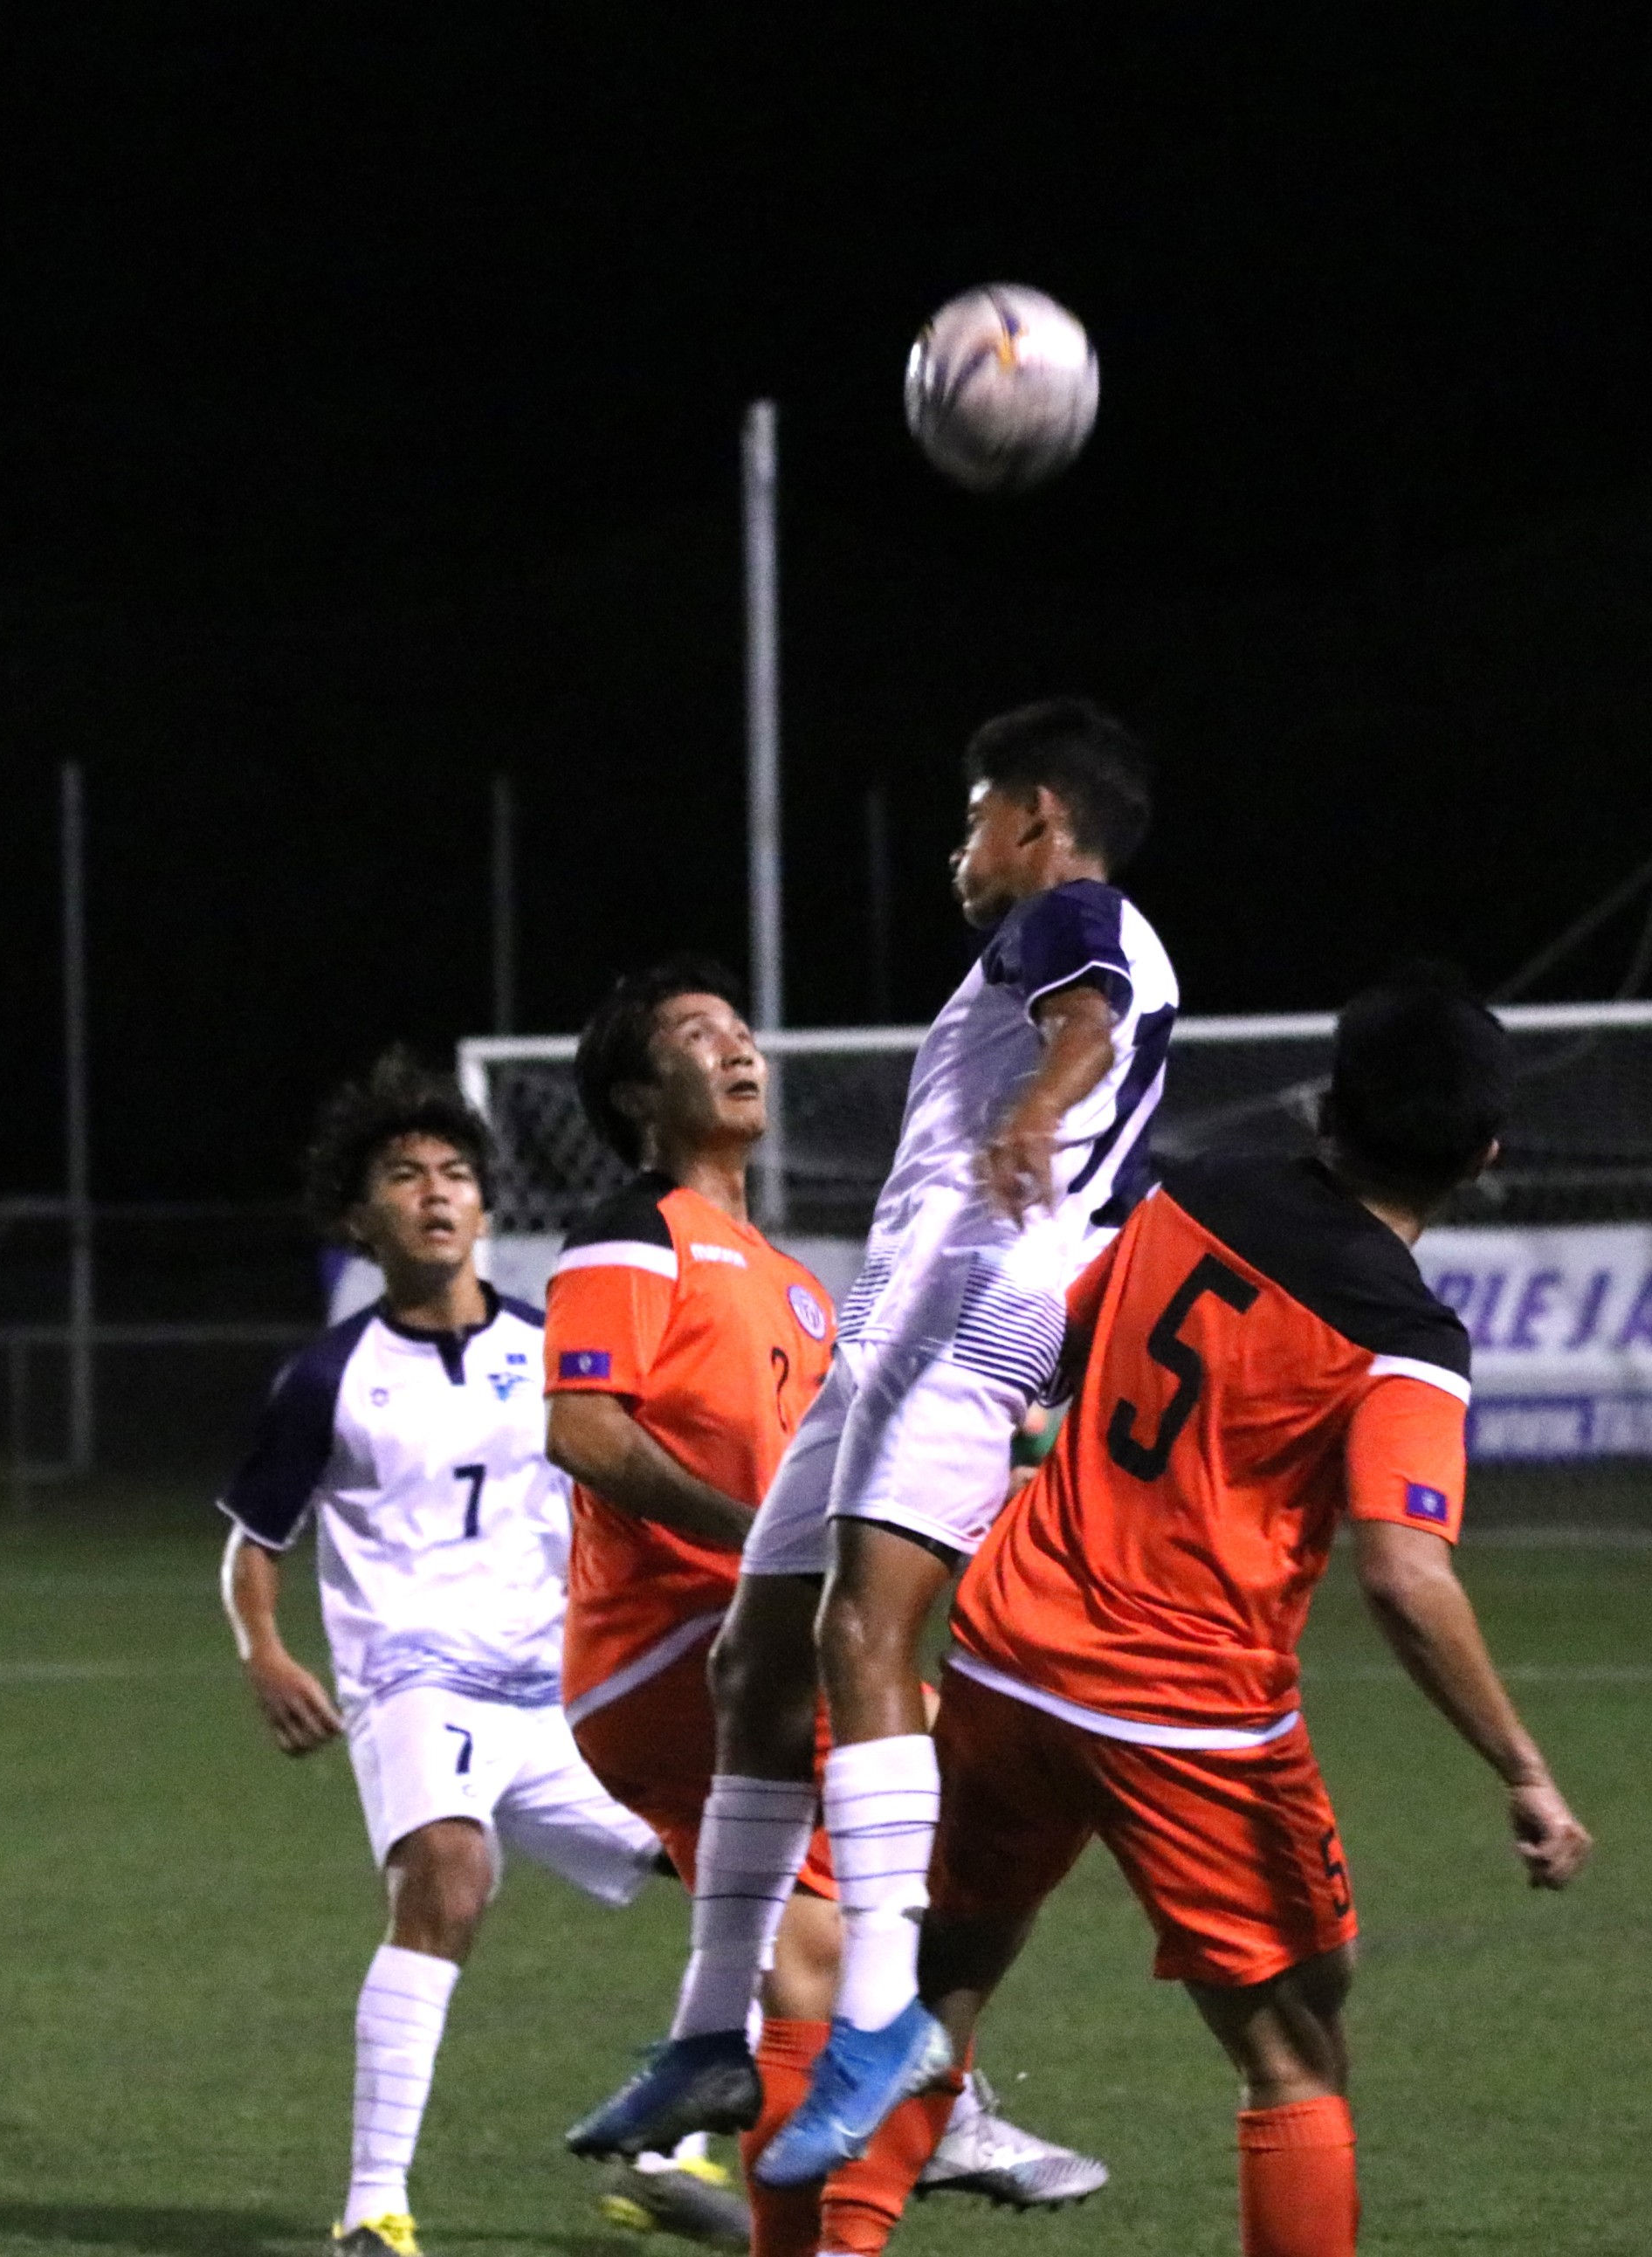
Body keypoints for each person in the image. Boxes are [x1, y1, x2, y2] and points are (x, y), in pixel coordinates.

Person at [571, 699, 1181, 2190]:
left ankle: (883, 2018)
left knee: (863, 1638)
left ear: (1036, 816)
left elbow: (1084, 1022)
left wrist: (1038, 1103)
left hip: (967, 1315)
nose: (958, 847)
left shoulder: (1070, 912)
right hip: (901, 1327)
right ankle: (717, 2029)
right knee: (754, 1663)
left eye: (974, 812)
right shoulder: (1050, 935)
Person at [912, 970, 1595, 2257]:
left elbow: (1050, 1350)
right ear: (1486, 1155)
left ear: (1328, 1103)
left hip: (1004, 1652)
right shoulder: (1404, 1335)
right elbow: (1405, 1574)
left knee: (940, 1990)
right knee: (1295, 2047)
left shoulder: (1198, 1186)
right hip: (1184, 1712)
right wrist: (1524, 1769)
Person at [546, 959, 1107, 2252]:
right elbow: (582, 1428)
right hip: (678, 1648)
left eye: (742, 1029)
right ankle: (934, 2096)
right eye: (698, 1036)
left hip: (740, 1654)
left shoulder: (793, 1278)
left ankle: (858, 2123)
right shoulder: (634, 1231)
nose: (738, 1049)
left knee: (820, 1936)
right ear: (640, 1094)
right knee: (981, 1769)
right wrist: (762, 1553)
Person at [220, 1052, 738, 2257]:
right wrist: (265, 1651)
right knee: (450, 1877)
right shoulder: (326, 1377)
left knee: (754, 1874)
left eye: (455, 1173)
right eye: (405, 1177)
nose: (437, 1194)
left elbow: (632, 1487)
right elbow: (254, 1542)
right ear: (365, 1217)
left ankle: (660, 2159)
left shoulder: (557, 1349)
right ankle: (373, 2213)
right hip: (416, 1685)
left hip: (559, 1697)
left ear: (487, 1211)